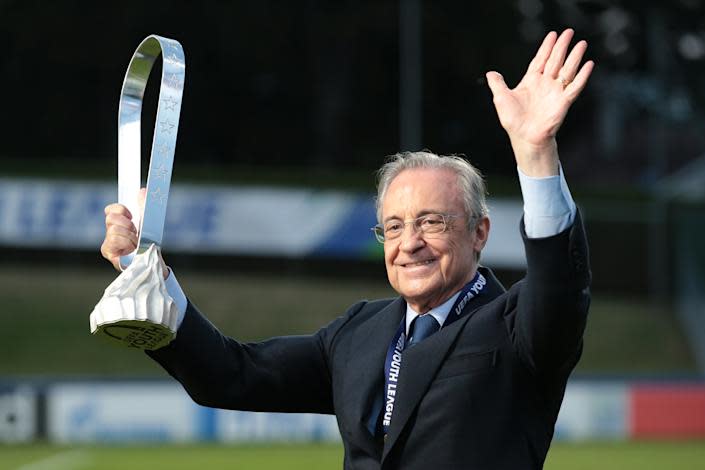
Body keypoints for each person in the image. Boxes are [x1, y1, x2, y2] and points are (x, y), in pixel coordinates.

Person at [101, 29, 593, 470]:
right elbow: (232, 376)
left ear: (479, 233)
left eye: (430, 222)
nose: (410, 243)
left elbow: (561, 284)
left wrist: (535, 154)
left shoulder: (518, 327)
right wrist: (153, 279)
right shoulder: (360, 331)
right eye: (394, 227)